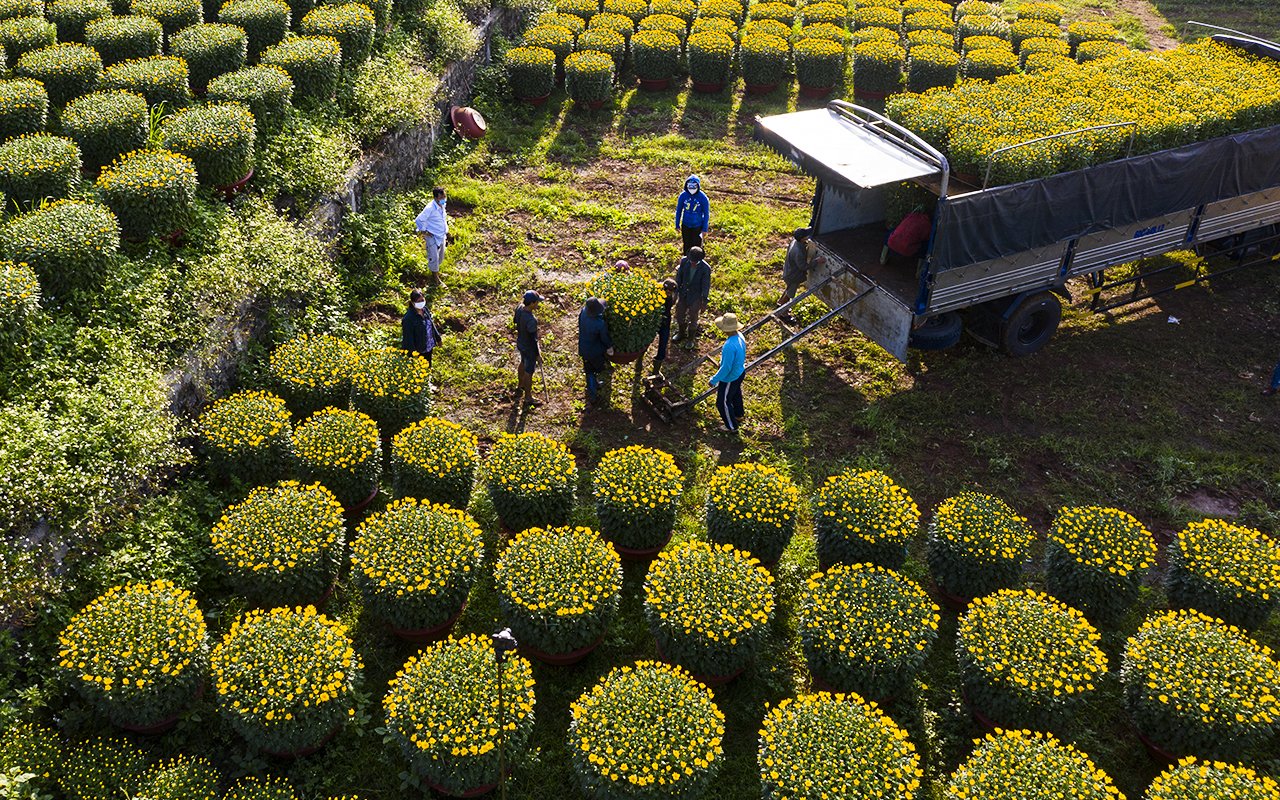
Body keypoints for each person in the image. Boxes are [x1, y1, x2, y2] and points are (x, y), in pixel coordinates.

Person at [709, 313, 746, 434]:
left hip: (730, 377)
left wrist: (714, 380)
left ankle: (731, 426)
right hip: (740, 371)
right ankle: (738, 414)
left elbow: (726, 368)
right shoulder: (740, 336)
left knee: (722, 402)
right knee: (735, 393)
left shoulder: (729, 346)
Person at [577, 297, 615, 405]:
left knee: (588, 368)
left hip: (583, 348)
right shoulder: (599, 323)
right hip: (594, 352)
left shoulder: (583, 312)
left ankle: (594, 385)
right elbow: (604, 338)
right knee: (592, 371)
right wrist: (609, 347)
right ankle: (592, 395)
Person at [673, 246, 711, 348]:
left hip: (696, 296)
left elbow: (705, 285)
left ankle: (690, 339)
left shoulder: (705, 268)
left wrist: (704, 301)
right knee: (679, 314)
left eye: (695, 262)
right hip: (683, 293)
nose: (693, 263)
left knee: (693, 317)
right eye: (692, 261)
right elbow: (679, 277)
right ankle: (681, 333)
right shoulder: (684, 261)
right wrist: (676, 293)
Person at [778, 227, 826, 308]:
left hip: (789, 271)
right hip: (793, 276)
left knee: (789, 289)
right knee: (790, 294)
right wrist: (817, 261)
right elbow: (803, 267)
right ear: (802, 238)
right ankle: (783, 311)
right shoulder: (798, 251)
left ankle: (780, 303)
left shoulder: (795, 242)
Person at [514, 290, 543, 407]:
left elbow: (515, 321)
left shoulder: (519, 308)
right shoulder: (531, 320)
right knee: (529, 371)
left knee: (522, 362)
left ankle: (520, 385)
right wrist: (537, 355)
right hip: (529, 347)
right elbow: (533, 340)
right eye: (537, 302)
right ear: (531, 303)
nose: (538, 304)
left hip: (521, 342)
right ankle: (528, 397)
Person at [414, 186, 449, 286]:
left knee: (441, 256)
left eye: (444, 196)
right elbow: (419, 220)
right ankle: (436, 279)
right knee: (434, 257)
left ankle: (436, 272)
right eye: (441, 197)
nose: (444, 199)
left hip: (441, 235)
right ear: (436, 198)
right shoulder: (430, 208)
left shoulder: (442, 205)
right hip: (432, 236)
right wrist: (424, 231)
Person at [400, 288, 441, 367]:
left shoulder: (425, 310)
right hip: (419, 350)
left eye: (422, 300)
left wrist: (438, 338)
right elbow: (408, 339)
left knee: (428, 366)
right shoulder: (409, 318)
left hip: (428, 345)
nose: (421, 303)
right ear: (412, 302)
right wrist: (412, 354)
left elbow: (431, 324)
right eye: (418, 301)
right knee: (419, 371)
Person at [674, 175, 710, 255]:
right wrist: (677, 224)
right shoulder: (683, 196)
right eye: (690, 186)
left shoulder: (703, 198)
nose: (692, 189)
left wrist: (704, 229)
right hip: (686, 225)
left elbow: (706, 214)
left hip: (698, 226)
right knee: (686, 244)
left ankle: (696, 262)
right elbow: (679, 210)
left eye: (694, 186)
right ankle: (686, 261)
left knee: (696, 246)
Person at [651, 278, 677, 376]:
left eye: (671, 292)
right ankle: (639, 362)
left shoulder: (672, 296)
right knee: (648, 341)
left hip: (665, 321)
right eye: (668, 291)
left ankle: (656, 369)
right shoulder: (656, 295)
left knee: (663, 343)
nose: (669, 293)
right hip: (655, 320)